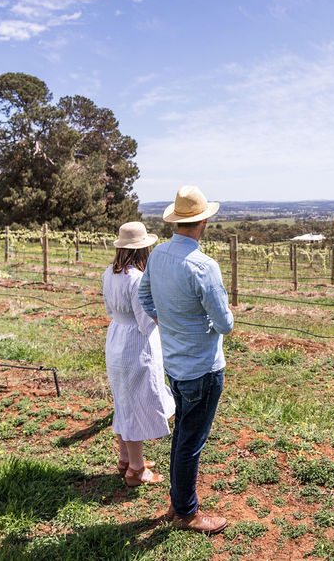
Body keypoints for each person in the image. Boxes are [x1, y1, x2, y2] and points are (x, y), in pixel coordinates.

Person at [138, 185, 233, 535]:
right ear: (204, 221)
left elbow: (144, 295)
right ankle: (186, 512)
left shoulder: (159, 254)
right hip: (202, 368)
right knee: (191, 441)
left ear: (177, 221)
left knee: (182, 435)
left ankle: (179, 502)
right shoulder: (204, 266)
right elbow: (225, 323)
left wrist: (165, 319)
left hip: (174, 365)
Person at [103, 221, 175, 487]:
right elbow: (146, 320)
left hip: (116, 339)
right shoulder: (138, 279)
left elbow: (111, 310)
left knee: (123, 400)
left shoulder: (109, 272)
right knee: (135, 403)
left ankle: (125, 458)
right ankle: (135, 469)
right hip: (136, 343)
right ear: (143, 249)